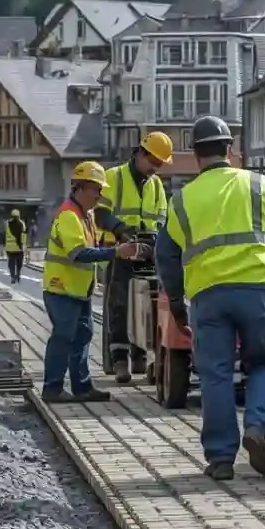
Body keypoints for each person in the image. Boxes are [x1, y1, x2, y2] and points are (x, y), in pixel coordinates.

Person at [156, 115, 265, 481]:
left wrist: (176, 302)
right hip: (257, 290)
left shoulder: (181, 201)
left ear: (195, 155)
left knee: (216, 375)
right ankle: (257, 427)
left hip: (208, 297)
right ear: (231, 150)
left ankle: (221, 459)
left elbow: (166, 255)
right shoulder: (260, 185)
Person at [43, 162, 147, 403]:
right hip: (62, 289)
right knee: (63, 337)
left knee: (83, 335)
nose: (100, 196)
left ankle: (82, 387)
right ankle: (52, 388)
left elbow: (93, 249)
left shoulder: (86, 216)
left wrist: (116, 249)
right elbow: (78, 253)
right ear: (80, 188)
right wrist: (116, 253)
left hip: (79, 290)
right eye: (96, 190)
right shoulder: (69, 215)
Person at [95, 131, 173, 383]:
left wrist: (157, 240)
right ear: (140, 153)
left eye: (159, 165)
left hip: (148, 253)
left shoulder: (157, 185)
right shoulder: (113, 177)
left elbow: (162, 219)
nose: (155, 169)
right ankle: (119, 358)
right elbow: (100, 214)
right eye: (153, 162)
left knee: (147, 306)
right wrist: (121, 231)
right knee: (119, 304)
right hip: (120, 252)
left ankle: (141, 356)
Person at [4, 209, 27, 284]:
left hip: (10, 248)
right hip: (19, 248)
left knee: (11, 264)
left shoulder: (7, 224)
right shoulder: (22, 224)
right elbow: (24, 236)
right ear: (19, 216)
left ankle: (13, 276)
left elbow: (5, 236)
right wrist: (24, 246)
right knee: (19, 263)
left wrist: (4, 245)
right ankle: (18, 274)